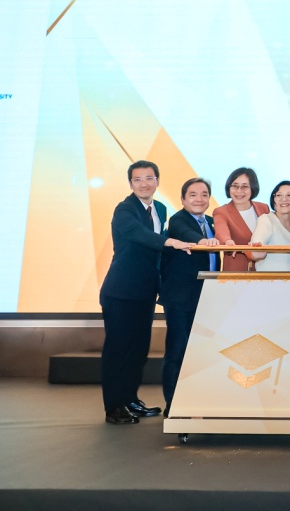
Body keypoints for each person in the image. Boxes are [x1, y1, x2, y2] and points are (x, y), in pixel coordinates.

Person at [99, 160, 194, 425]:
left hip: (145, 291)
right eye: (138, 179)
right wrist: (170, 242)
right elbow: (138, 234)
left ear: (157, 181)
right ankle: (114, 406)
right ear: (130, 184)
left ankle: (130, 399)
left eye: (149, 178)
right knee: (118, 350)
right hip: (120, 291)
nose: (144, 184)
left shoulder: (160, 209)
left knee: (138, 349)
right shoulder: (125, 209)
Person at [159, 177, 221, 416]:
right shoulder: (177, 220)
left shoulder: (212, 222)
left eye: (204, 194)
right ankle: (173, 405)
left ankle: (197, 401)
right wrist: (204, 242)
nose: (199, 199)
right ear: (183, 199)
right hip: (180, 299)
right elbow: (186, 234)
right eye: (193, 194)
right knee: (177, 351)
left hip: (207, 299)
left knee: (201, 353)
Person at [212, 167, 269, 272]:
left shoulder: (263, 208)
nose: (239, 191)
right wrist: (228, 242)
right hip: (236, 272)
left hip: (264, 271)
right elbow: (221, 232)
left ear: (253, 188)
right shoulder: (221, 211)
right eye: (235, 186)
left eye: (245, 186)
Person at [247, 181, 290, 273]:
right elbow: (256, 249)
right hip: (270, 279)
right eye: (279, 195)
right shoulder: (266, 220)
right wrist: (256, 253)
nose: (284, 199)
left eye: (289, 195)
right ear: (273, 201)